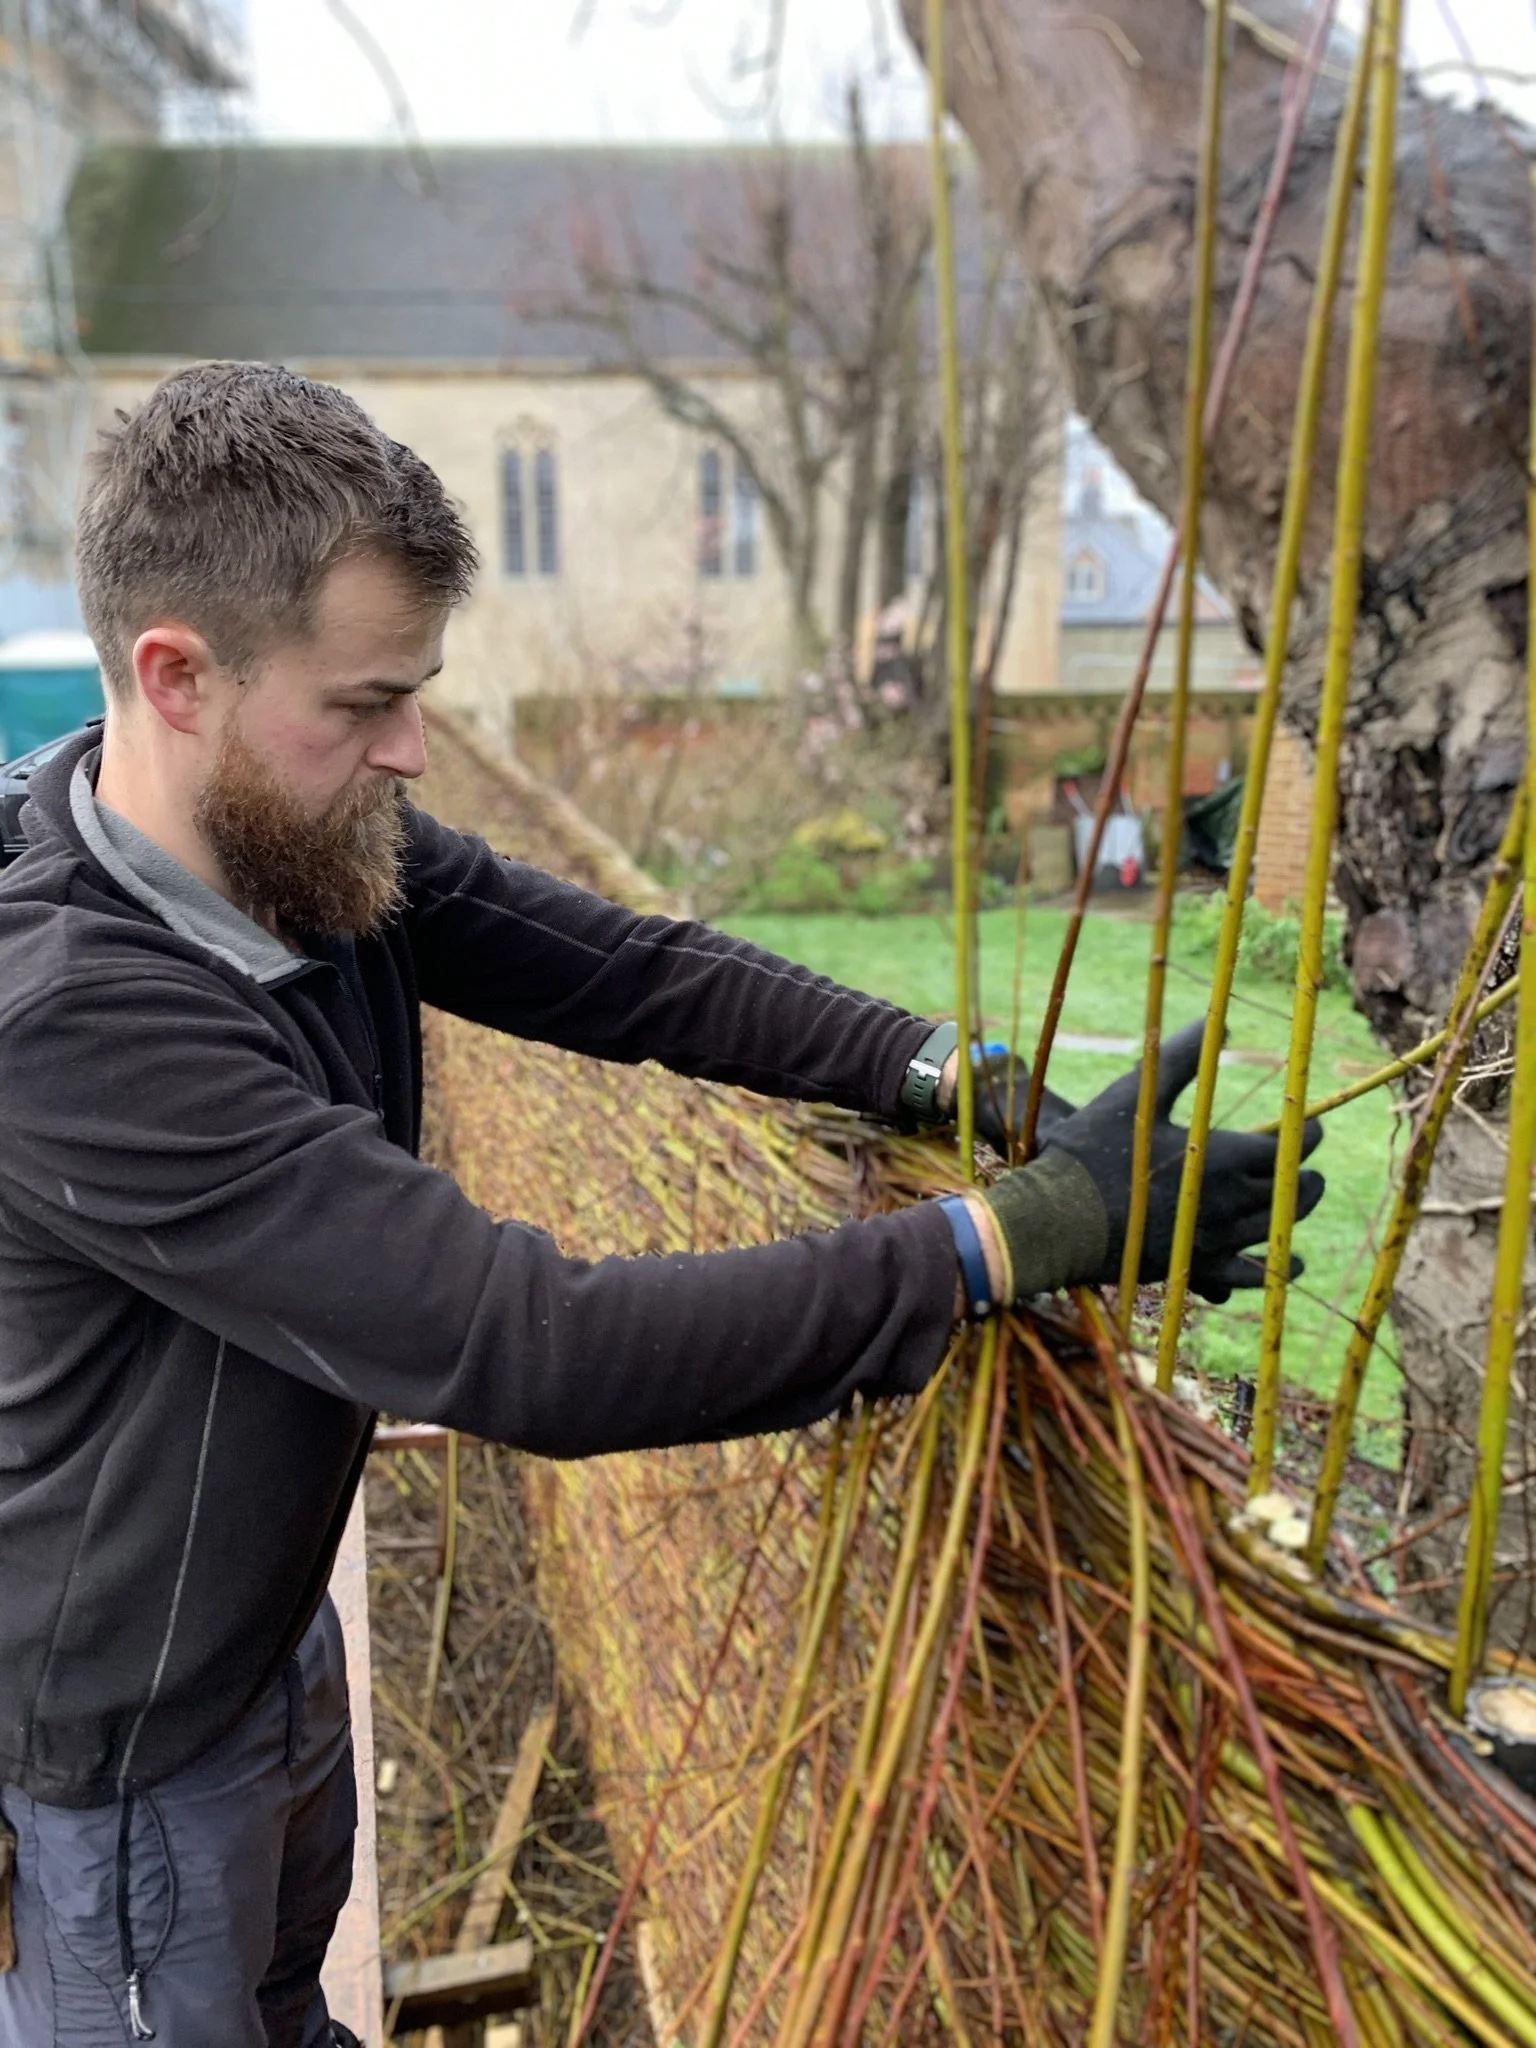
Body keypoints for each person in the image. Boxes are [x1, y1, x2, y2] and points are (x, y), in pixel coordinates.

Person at [0, 363, 1323, 2048]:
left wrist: (944, 1070)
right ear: (176, 677)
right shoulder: (75, 1021)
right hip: (117, 1753)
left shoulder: (286, 842)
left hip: (261, 1631)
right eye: (364, 703)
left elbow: (626, 969)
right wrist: (1015, 1238)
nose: (411, 747)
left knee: (285, 2000)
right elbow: (528, 1348)